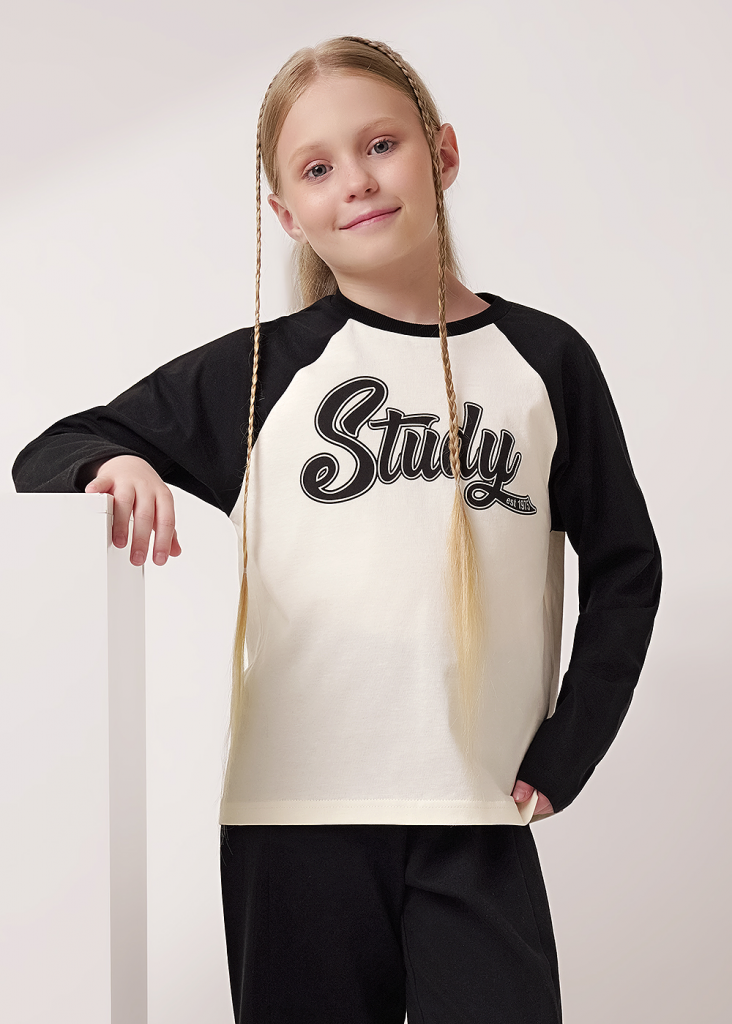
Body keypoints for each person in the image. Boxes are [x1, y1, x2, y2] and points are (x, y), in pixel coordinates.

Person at [12, 35, 662, 1024]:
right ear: (286, 213)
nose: (355, 180)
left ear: (442, 154)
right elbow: (55, 445)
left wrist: (569, 747)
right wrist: (119, 462)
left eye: (380, 146)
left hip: (474, 813)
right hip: (293, 821)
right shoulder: (266, 372)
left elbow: (626, 568)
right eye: (316, 168)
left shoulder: (543, 360)